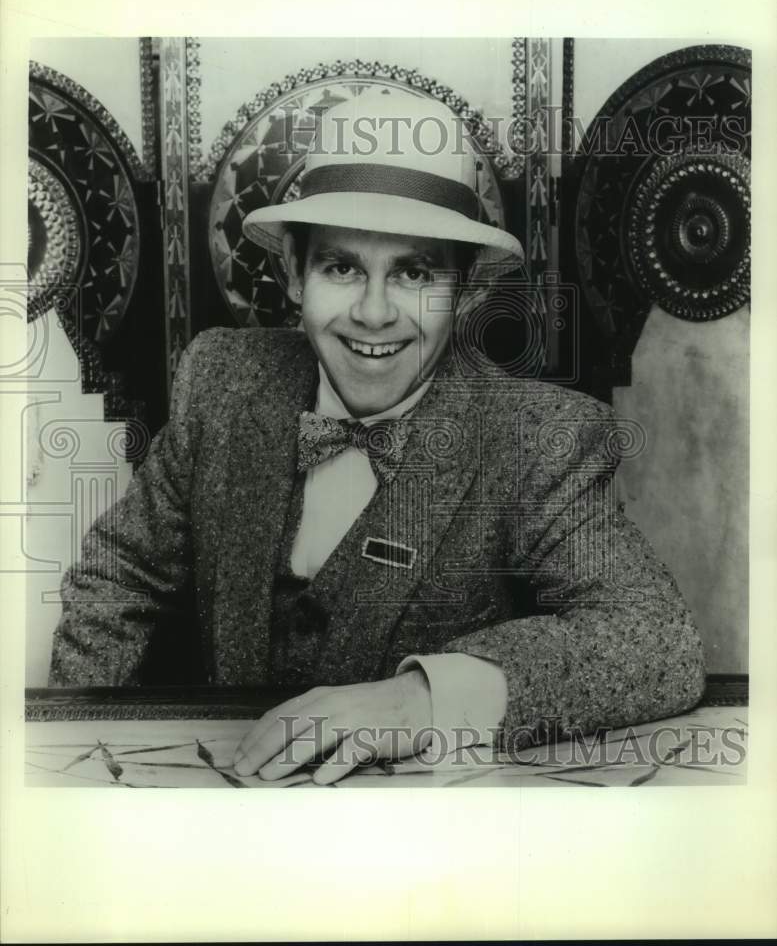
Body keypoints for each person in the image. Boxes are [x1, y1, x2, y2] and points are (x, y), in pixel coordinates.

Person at [49, 91, 706, 784]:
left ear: (467, 292)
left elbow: (657, 642)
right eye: (341, 268)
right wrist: (72, 765)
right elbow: (118, 575)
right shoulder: (220, 380)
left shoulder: (537, 438)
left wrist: (422, 698)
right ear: (293, 277)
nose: (372, 313)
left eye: (414, 273)